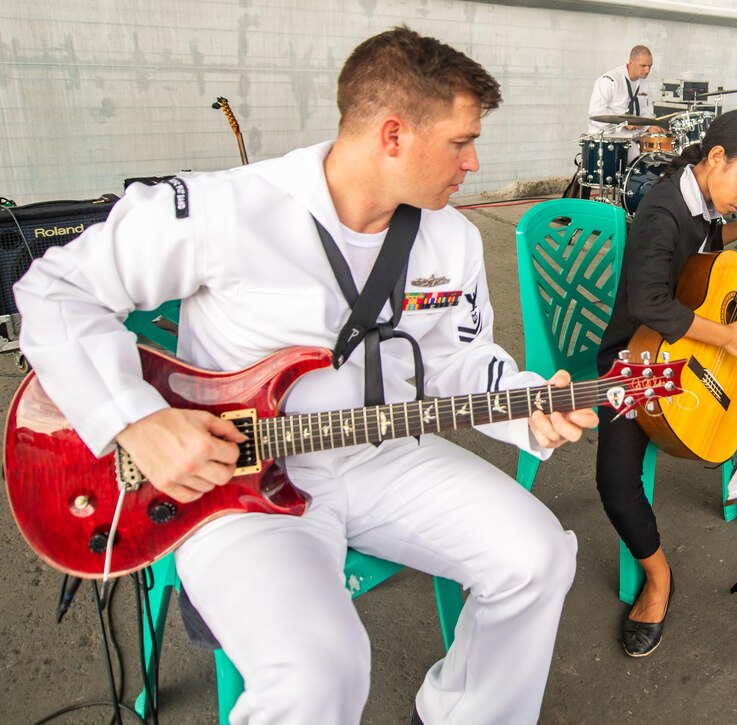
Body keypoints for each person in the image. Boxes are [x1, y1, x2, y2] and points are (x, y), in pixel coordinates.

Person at [14, 27, 597, 725]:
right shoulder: (225, 209)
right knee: (319, 674)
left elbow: (456, 364)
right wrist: (137, 420)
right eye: (460, 141)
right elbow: (53, 290)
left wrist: (530, 405)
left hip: (380, 452)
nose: (474, 162)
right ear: (392, 135)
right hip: (236, 484)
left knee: (538, 558)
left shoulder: (453, 239)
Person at [595, 110, 737, 658]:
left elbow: (712, 238)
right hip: (639, 358)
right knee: (616, 482)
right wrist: (724, 337)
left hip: (705, 347)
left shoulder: (701, 200)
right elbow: (648, 301)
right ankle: (657, 578)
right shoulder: (660, 210)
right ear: (715, 158)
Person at [586, 45, 666, 159]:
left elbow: (643, 111)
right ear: (631, 62)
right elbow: (596, 113)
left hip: (630, 137)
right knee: (633, 155)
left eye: (650, 66)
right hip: (605, 139)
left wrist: (648, 127)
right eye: (643, 66)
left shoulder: (644, 83)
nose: (647, 70)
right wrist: (623, 123)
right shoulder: (610, 80)